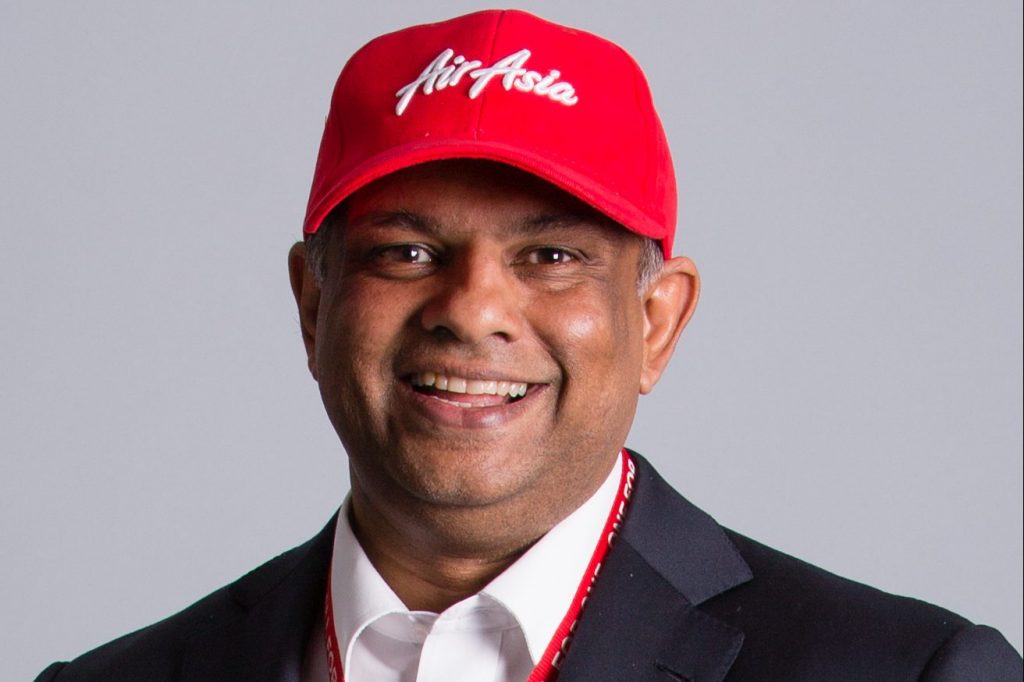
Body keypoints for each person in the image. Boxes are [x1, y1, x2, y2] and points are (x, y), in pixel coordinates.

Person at [36, 9, 1022, 681]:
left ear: (655, 321)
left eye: (549, 254)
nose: (471, 308)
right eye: (407, 250)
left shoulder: (902, 672)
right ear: (312, 301)